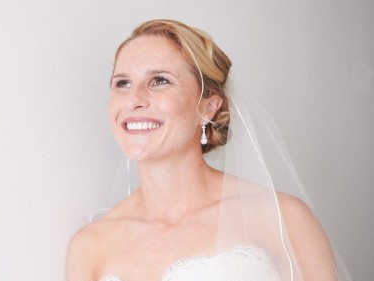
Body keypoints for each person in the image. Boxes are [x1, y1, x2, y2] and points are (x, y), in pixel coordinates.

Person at [66, 19, 346, 281]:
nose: (135, 99)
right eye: (122, 83)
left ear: (208, 106)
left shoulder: (283, 217)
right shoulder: (90, 245)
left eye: (159, 80)